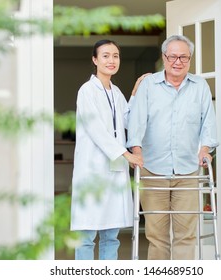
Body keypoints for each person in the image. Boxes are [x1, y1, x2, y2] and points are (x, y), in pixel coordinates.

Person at [126, 35, 219, 260]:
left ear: (190, 59)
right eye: (173, 56)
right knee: (156, 235)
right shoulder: (149, 84)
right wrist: (136, 152)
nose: (178, 62)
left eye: (184, 57)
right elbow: (136, 121)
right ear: (164, 57)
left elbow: (208, 122)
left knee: (186, 235)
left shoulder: (200, 86)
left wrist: (205, 149)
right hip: (152, 169)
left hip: (187, 171)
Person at [70, 39, 147, 260]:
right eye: (105, 55)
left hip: (114, 171)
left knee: (111, 236)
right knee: (86, 237)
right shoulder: (87, 91)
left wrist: (134, 93)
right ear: (95, 60)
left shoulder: (116, 91)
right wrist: (127, 154)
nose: (111, 60)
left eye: (115, 56)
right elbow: (97, 131)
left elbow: (127, 120)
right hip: (92, 171)